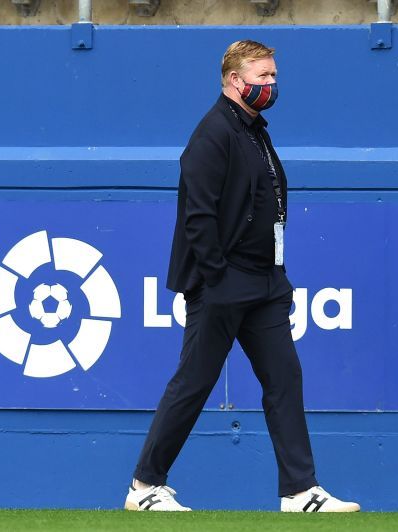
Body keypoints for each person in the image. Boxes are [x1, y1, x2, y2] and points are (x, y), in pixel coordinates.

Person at [124, 40, 360, 513]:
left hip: (265, 282)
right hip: (224, 283)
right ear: (235, 80)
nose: (271, 84)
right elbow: (198, 216)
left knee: (285, 377)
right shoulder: (212, 133)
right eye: (263, 76)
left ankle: (299, 491)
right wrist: (218, 277)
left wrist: (275, 274)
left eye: (274, 76)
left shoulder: (255, 130)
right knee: (194, 382)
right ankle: (145, 486)